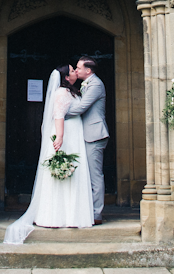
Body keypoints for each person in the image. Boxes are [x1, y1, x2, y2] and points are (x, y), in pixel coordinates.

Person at [3, 64, 93, 244]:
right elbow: (58, 115)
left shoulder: (71, 92)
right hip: (66, 135)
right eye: (72, 70)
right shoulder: (61, 93)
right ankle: (55, 217)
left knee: (73, 175)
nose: (75, 71)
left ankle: (73, 216)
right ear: (66, 77)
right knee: (62, 174)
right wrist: (60, 137)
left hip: (74, 134)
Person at [65, 56, 109, 225]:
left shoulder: (96, 84)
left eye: (79, 68)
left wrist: (61, 114)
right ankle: (88, 210)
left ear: (88, 71)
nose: (76, 71)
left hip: (95, 134)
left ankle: (97, 213)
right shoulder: (88, 83)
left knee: (95, 175)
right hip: (86, 134)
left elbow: (83, 106)